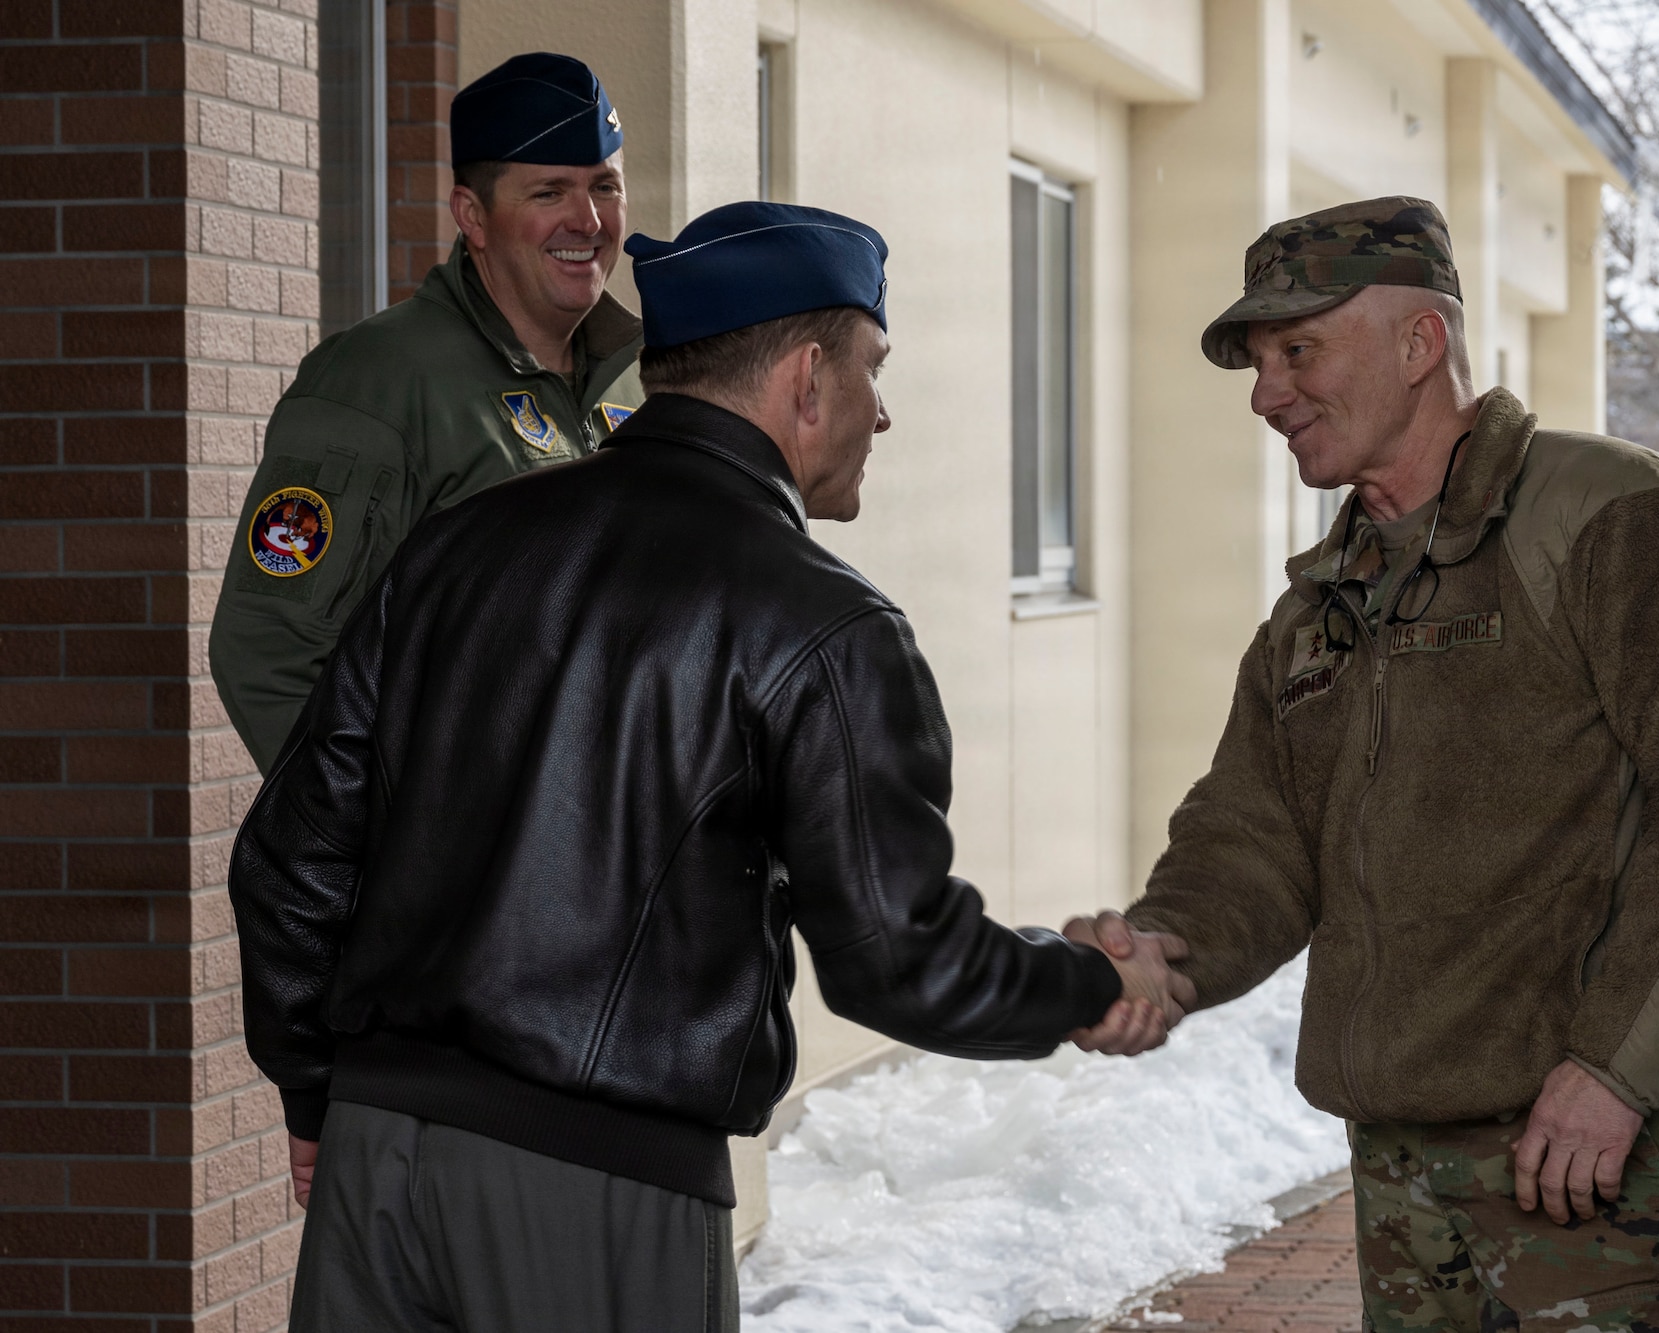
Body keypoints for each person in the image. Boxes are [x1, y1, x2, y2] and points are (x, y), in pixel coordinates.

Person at [229, 200, 1193, 1333]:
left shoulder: (452, 549)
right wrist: (1089, 984)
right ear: (803, 379)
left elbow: (291, 863)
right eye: (872, 367)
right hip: (596, 1184)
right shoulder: (826, 624)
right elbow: (895, 956)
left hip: (375, 1164)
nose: (882, 413)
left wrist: (316, 1089)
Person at [1070, 196, 1659, 1332]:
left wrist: (1613, 1069)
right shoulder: (1317, 607)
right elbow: (1252, 837)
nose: (1267, 394)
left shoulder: (1622, 518)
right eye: (1258, 364)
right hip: (1398, 1170)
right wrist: (1163, 953)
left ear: (1419, 345)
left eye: (1297, 351)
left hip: (1577, 1164)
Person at [211, 52, 648, 772]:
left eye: (606, 186)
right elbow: (267, 648)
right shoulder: (379, 379)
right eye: (550, 192)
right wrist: (389, 847)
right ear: (472, 215)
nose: (590, 220)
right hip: (470, 869)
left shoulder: (637, 378)